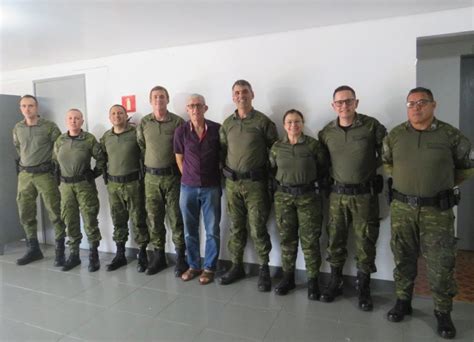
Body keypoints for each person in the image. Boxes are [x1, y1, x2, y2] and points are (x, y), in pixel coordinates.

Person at [383, 87, 473, 339]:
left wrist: (438, 185)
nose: (416, 107)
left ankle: (443, 312)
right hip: (402, 208)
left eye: (422, 102)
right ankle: (403, 301)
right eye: (411, 103)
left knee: (441, 263)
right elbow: (389, 163)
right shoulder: (396, 135)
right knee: (403, 257)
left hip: (437, 210)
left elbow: (466, 168)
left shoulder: (451, 136)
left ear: (434, 105)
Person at [318, 85, 386, 310]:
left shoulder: (372, 126)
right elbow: (323, 162)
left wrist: (370, 172)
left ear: (356, 102)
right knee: (335, 240)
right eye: (339, 102)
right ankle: (335, 282)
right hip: (337, 195)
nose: (344, 106)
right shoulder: (326, 132)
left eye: (348, 101)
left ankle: (364, 288)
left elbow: (387, 154)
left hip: (365, 196)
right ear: (333, 105)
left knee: (365, 242)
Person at [218, 79, 278, 292]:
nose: (241, 95)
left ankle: (263, 269)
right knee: (236, 227)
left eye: (245, 92)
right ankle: (237, 265)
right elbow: (222, 150)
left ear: (252, 94)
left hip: (256, 184)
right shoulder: (227, 124)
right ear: (233, 96)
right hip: (233, 184)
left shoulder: (263, 122)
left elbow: (275, 151)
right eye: (236, 92)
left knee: (258, 227)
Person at [269, 109, 328, 299]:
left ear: (302, 123)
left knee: (310, 242)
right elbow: (271, 169)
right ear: (284, 125)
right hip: (283, 199)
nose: (293, 125)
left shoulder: (313, 146)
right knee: (287, 240)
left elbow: (323, 168)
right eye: (289, 122)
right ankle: (288, 278)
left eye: (297, 122)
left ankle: (313, 281)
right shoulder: (277, 147)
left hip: (308, 198)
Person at [137, 86, 188, 276]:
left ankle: (181, 257)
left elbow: (183, 149)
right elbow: (142, 146)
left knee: (176, 218)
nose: (159, 100)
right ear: (151, 101)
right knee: (154, 218)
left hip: (173, 177)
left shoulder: (177, 122)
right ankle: (159, 257)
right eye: (155, 97)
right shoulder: (144, 123)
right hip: (151, 179)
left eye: (162, 97)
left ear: (167, 99)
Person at [13, 95, 66, 267]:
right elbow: (18, 147)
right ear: (20, 108)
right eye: (23, 106)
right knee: (25, 211)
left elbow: (58, 148)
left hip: (45, 175)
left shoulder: (49, 127)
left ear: (37, 108)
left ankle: (60, 251)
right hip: (25, 176)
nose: (27, 109)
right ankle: (33, 249)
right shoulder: (18, 128)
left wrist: (50, 165)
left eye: (30, 106)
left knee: (55, 211)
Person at [174, 94, 222, 285]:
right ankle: (194, 266)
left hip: (211, 187)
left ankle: (209, 268)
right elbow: (179, 158)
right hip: (188, 188)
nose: (195, 109)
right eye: (191, 106)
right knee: (189, 231)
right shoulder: (181, 131)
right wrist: (189, 176)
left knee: (212, 230)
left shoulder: (217, 129)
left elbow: (222, 155)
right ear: (187, 109)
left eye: (198, 105)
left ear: (205, 108)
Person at [54, 109, 105, 272]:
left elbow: (102, 159)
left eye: (77, 118)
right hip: (66, 187)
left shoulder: (89, 139)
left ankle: (93, 255)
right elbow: (55, 161)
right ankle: (74, 254)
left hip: (84, 185)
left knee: (90, 219)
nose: (73, 121)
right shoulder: (60, 140)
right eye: (70, 118)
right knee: (70, 220)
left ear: (82, 121)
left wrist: (94, 173)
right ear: (66, 120)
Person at [100, 104, 150, 273]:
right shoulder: (106, 137)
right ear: (109, 117)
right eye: (113, 113)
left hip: (134, 184)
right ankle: (120, 254)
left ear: (125, 115)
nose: (117, 116)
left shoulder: (136, 134)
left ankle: (142, 253)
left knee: (139, 219)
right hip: (114, 186)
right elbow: (102, 158)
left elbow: (145, 154)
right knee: (118, 220)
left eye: (120, 113)